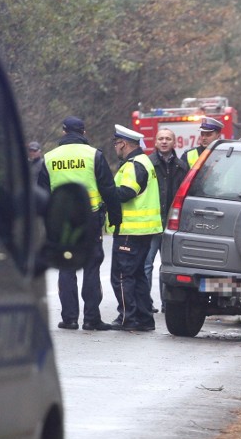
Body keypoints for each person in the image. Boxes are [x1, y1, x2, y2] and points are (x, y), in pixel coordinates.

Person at [38, 116, 121, 331]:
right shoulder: (94, 155)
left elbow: (43, 194)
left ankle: (70, 319)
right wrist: (116, 218)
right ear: (84, 133)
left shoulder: (49, 158)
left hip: (61, 221)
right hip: (91, 218)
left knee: (66, 267)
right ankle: (91, 318)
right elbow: (109, 191)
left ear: (64, 132)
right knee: (92, 266)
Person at [109, 124, 162, 331]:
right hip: (143, 230)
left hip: (131, 230)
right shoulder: (145, 161)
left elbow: (127, 192)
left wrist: (107, 193)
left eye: (116, 144)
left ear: (123, 143)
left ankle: (126, 318)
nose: (115, 148)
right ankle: (144, 319)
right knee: (137, 275)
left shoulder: (133, 164)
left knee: (122, 276)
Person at [144, 128, 188, 313]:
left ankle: (166, 304)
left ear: (174, 142)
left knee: (168, 266)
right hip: (152, 223)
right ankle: (145, 303)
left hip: (172, 225)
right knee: (147, 264)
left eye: (167, 139)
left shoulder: (182, 167)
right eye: (161, 138)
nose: (164, 141)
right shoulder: (147, 164)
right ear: (155, 142)